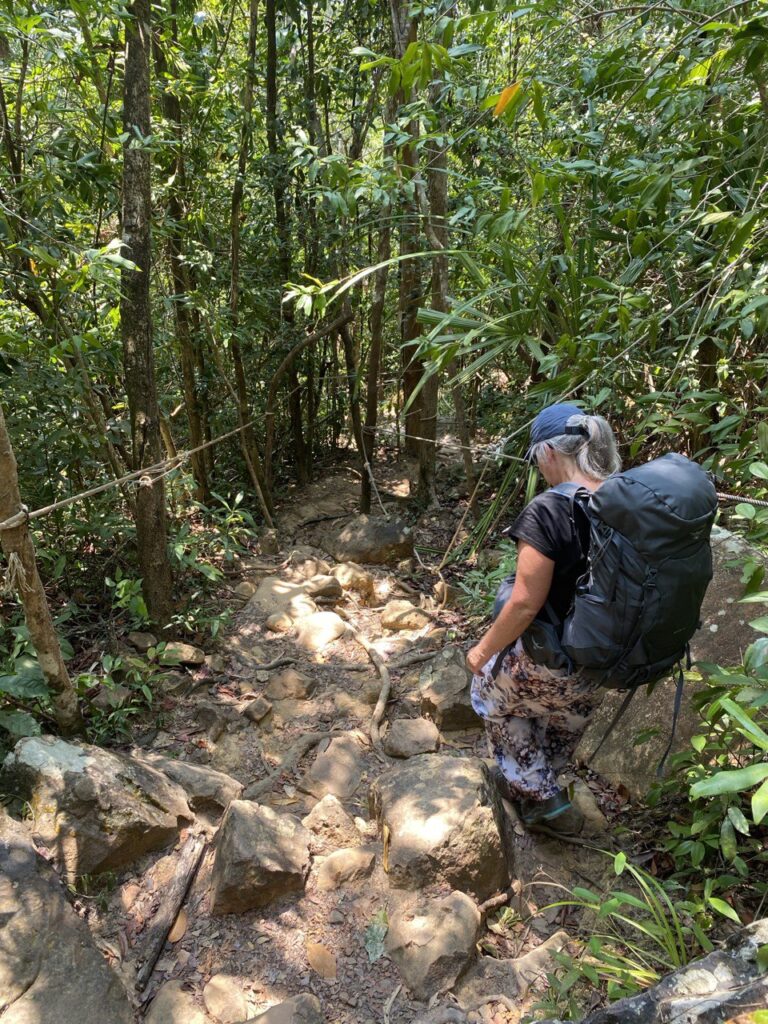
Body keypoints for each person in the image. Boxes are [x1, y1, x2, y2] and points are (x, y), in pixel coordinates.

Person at [466, 403, 621, 833]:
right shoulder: (623, 502)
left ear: (549, 453)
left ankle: (541, 796)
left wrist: (481, 652)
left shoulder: (549, 509)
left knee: (486, 690)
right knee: (552, 708)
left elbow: (524, 604)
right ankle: (541, 780)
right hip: (605, 664)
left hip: (555, 661)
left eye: (537, 457)